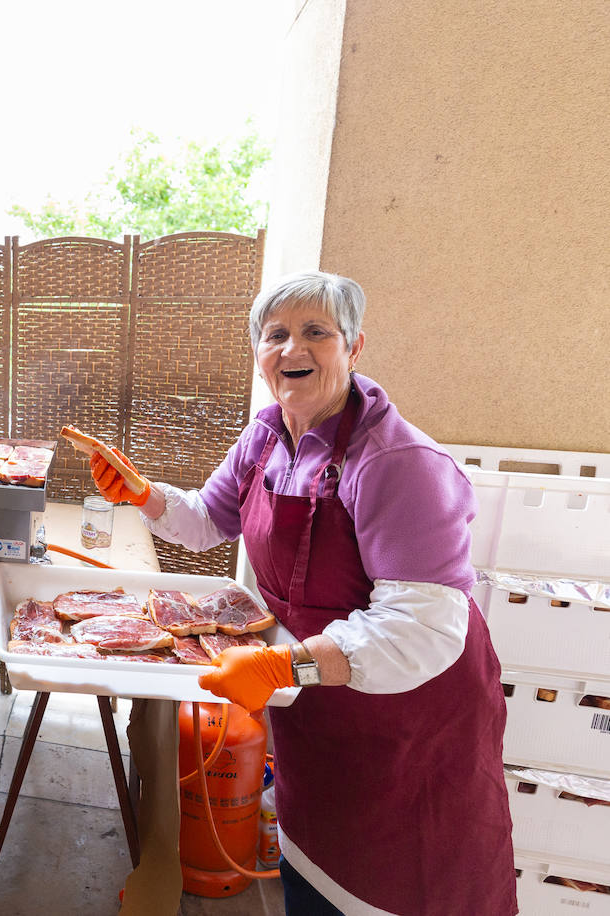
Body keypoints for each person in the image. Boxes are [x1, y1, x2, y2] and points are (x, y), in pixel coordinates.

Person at [90, 271, 515, 915]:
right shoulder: (268, 436)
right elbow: (210, 519)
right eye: (276, 335)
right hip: (315, 707)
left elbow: (419, 631)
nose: (293, 350)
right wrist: (144, 496)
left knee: (399, 888)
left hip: (407, 723)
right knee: (310, 871)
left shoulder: (398, 463)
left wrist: (281, 664)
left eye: (317, 332)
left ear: (355, 346)